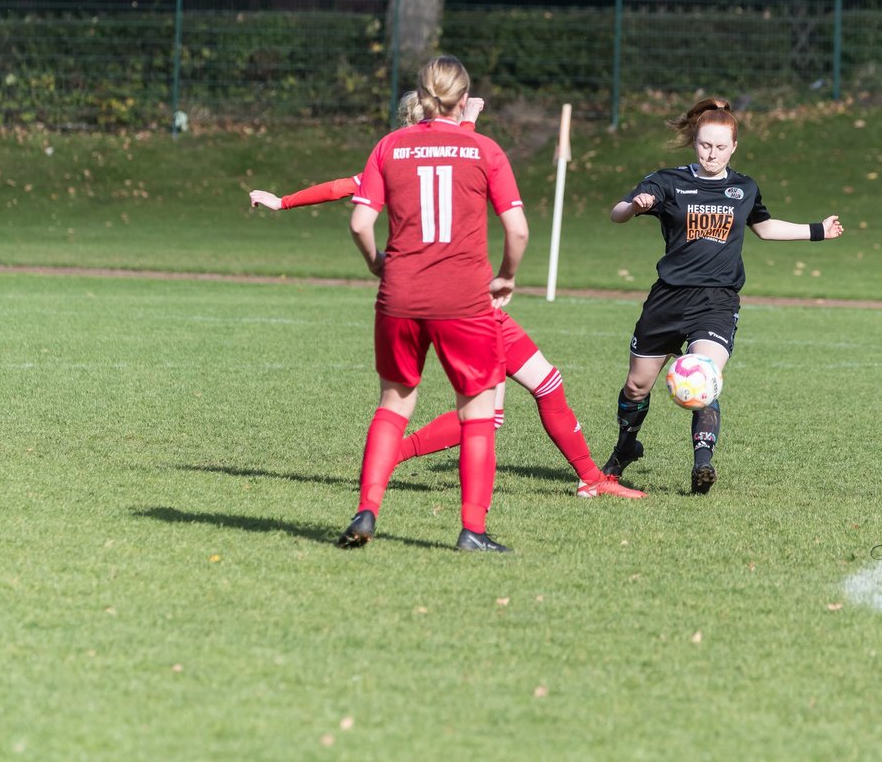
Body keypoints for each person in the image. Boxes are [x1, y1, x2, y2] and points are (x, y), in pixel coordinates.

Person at [249, 99, 644, 501]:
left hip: (416, 291)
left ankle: (392, 458)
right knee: (535, 389)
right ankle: (588, 479)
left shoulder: (396, 154)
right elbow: (466, 149)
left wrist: (282, 201)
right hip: (468, 297)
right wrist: (470, 117)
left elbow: (341, 189)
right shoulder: (461, 148)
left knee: (493, 410)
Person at [603, 97, 844, 495]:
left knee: (705, 377)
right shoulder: (667, 182)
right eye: (704, 145)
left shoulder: (743, 187)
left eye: (719, 147)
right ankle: (626, 449)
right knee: (635, 387)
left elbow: (765, 228)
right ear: (694, 142)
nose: (711, 154)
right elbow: (616, 213)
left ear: (734, 147)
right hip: (668, 299)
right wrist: (634, 205)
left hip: (716, 301)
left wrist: (817, 229)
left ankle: (703, 465)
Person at [340, 55, 528, 552]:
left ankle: (366, 510)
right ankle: (472, 530)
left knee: (394, 403)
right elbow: (518, 229)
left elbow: (360, 223)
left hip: (399, 292)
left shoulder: (389, 146)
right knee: (479, 410)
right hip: (464, 298)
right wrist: (506, 275)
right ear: (464, 100)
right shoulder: (484, 149)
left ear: (421, 96)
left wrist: (376, 261)